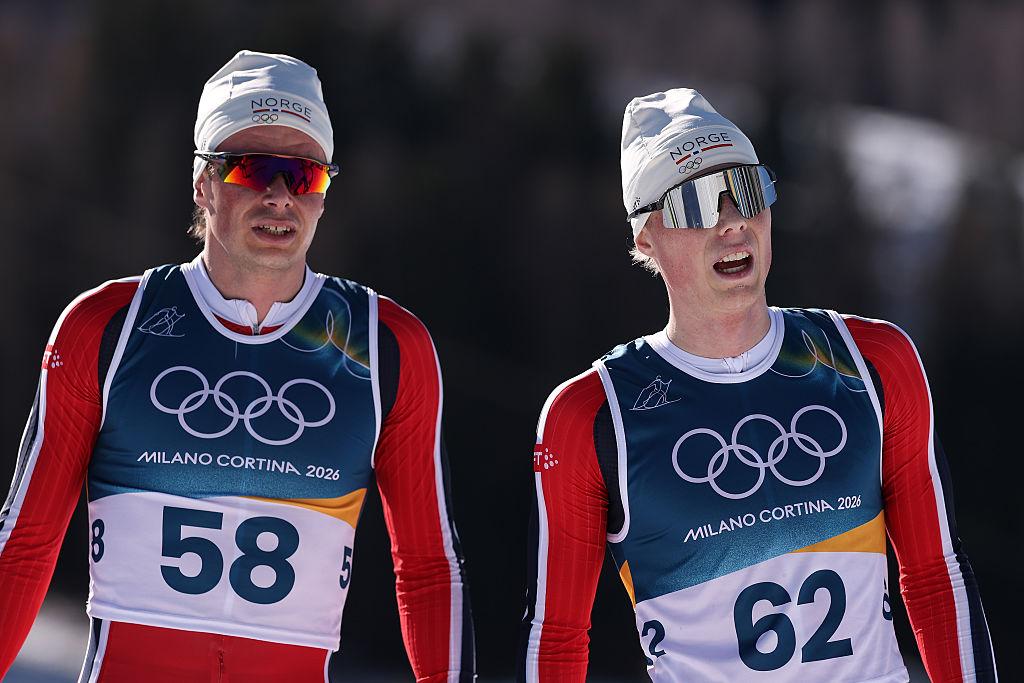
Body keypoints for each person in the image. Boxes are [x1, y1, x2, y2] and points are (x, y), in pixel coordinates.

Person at [0, 51, 474, 682]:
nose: (280, 197)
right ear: (203, 183)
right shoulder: (108, 326)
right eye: (253, 168)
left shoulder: (384, 344)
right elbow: (25, 545)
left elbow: (430, 567)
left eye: (304, 175)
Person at [517, 88, 996, 682]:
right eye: (696, 202)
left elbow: (936, 576)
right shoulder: (591, 415)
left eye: (747, 189)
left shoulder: (871, 361)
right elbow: (556, 636)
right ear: (645, 238)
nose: (732, 222)